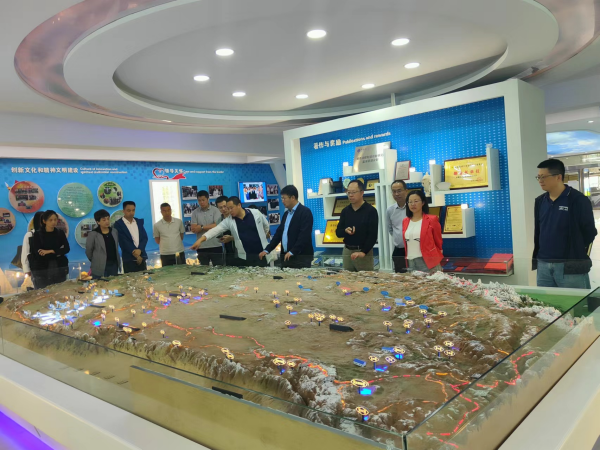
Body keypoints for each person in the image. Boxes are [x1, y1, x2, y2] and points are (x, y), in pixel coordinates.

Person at [533, 159, 597, 288]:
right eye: (538, 177)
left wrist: (575, 248)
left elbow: (589, 232)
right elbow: (539, 231)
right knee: (546, 301)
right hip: (543, 265)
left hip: (570, 266)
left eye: (544, 177)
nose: (540, 180)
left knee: (577, 300)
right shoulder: (540, 201)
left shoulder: (578, 200)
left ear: (558, 177)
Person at [192, 196, 272, 267]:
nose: (229, 210)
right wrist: (200, 240)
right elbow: (215, 231)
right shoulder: (229, 220)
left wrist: (264, 236)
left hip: (262, 254)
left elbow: (266, 226)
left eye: (231, 208)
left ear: (239, 205)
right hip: (245, 257)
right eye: (228, 208)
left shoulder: (255, 213)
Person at [259, 185, 314, 269]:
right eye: (282, 198)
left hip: (300, 257)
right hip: (286, 256)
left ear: (293, 197)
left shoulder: (305, 212)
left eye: (284, 198)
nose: (282, 201)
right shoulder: (286, 214)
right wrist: (267, 250)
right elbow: (279, 234)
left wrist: (293, 251)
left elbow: (304, 236)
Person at [335, 180, 379, 271]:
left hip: (363, 252)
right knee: (348, 278)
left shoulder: (371, 211)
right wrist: (345, 231)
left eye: (353, 192)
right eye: (348, 192)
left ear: (362, 193)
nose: (350, 195)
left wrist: (363, 252)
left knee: (365, 278)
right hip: (347, 251)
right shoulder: (345, 211)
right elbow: (338, 232)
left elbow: (373, 235)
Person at [402, 190, 443, 273]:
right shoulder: (405, 221)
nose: (413, 204)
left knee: (431, 281)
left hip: (428, 260)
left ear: (423, 202)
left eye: (416, 201)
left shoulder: (432, 219)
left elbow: (438, 242)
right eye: (410, 202)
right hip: (410, 260)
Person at [29, 210, 70, 288]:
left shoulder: (60, 233)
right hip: (42, 267)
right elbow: (38, 252)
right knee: (44, 289)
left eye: (55, 219)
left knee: (59, 288)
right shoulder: (38, 234)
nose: (53, 222)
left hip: (59, 266)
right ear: (44, 221)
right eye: (50, 220)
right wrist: (57, 252)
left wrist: (50, 251)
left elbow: (67, 249)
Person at [114, 201, 149, 273]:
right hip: (129, 258)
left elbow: (144, 238)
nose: (131, 213)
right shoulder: (118, 224)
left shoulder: (138, 222)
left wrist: (140, 250)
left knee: (144, 278)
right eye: (129, 210)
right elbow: (123, 241)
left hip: (141, 256)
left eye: (133, 210)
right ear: (123, 211)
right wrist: (135, 253)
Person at [86, 209, 121, 279]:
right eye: (104, 220)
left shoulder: (114, 231)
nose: (107, 221)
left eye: (108, 219)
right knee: (99, 284)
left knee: (113, 283)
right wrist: (96, 260)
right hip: (99, 265)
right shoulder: (93, 234)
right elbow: (89, 251)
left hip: (114, 264)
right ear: (98, 222)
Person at [191, 190, 223, 266]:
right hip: (201, 246)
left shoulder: (216, 210)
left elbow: (217, 226)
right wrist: (209, 226)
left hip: (216, 245)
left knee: (219, 268)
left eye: (203, 200)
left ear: (208, 199)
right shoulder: (195, 212)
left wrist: (201, 227)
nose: (201, 202)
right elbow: (194, 229)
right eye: (199, 200)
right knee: (203, 269)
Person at [387, 180, 408, 273]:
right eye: (394, 191)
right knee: (400, 278)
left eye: (399, 191)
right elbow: (390, 229)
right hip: (399, 250)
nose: (396, 194)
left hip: (414, 250)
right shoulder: (390, 210)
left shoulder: (413, 207)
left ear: (406, 191)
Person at [22, 211, 44, 289]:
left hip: (50, 267)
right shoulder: (30, 235)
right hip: (36, 268)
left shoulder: (51, 234)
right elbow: (25, 253)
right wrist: (27, 270)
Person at [215, 195, 238, 266]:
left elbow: (244, 235)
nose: (223, 209)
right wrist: (221, 239)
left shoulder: (236, 217)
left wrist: (231, 238)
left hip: (239, 251)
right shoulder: (219, 220)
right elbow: (218, 236)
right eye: (220, 207)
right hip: (227, 251)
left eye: (225, 206)